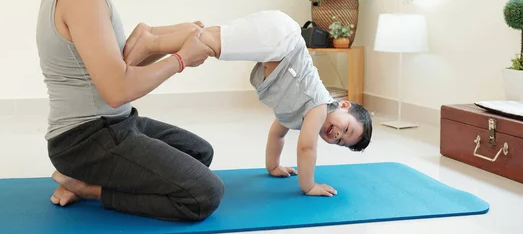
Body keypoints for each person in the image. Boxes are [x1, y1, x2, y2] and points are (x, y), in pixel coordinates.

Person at [35, 0, 224, 222]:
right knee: (203, 194)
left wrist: (154, 40)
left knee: (200, 153)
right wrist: (180, 61)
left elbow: (115, 66)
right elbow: (117, 89)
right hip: (85, 140)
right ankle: (88, 188)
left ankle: (88, 182)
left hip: (116, 123)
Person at [122, 10, 373, 197]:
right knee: (206, 44)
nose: (337, 134)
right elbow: (306, 148)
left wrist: (272, 166)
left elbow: (277, 134)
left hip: (276, 41)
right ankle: (150, 42)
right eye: (347, 129)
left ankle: (152, 32)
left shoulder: (299, 115)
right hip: (281, 38)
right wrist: (309, 185)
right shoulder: (318, 107)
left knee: (204, 36)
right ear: (344, 105)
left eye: (340, 140)